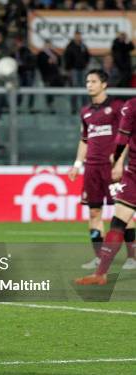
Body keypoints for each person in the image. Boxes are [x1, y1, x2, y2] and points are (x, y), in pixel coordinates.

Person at [68, 69, 135, 270]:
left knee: (124, 211)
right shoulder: (85, 112)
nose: (89, 85)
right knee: (94, 212)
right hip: (92, 169)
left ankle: (132, 257)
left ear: (104, 84)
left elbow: (127, 136)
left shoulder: (117, 107)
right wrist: (77, 165)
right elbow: (84, 140)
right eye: (87, 81)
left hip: (111, 168)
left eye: (93, 81)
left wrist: (119, 163)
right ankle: (99, 257)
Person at [64, 31, 90, 113]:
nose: (78, 38)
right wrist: (68, 69)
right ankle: (74, 108)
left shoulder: (83, 46)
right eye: (77, 36)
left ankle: (85, 107)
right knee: (74, 88)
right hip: (74, 69)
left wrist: (86, 64)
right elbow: (67, 58)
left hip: (82, 69)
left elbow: (87, 56)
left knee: (84, 88)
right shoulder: (70, 46)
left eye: (79, 36)